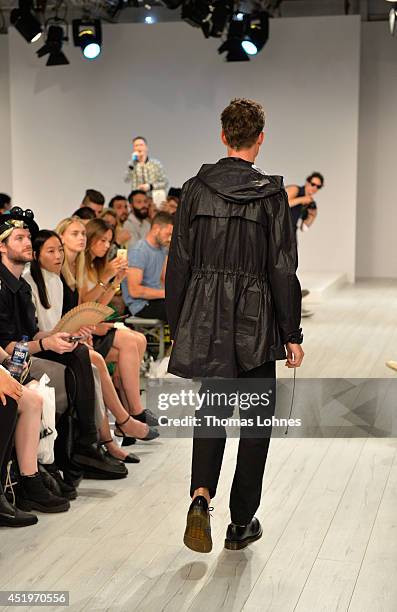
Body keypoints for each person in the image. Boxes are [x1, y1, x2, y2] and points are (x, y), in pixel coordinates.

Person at [165, 98, 304, 553]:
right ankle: (241, 521)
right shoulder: (272, 194)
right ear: (260, 139)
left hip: (206, 316)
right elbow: (283, 269)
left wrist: (178, 324)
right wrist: (291, 334)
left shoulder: (193, 189)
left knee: (213, 411)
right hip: (256, 317)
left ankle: (200, 497)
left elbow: (179, 264)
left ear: (222, 136)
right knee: (256, 424)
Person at [0, 208, 125, 481]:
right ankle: (70, 453)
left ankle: (81, 447)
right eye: (19, 238)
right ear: (2, 246)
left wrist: (52, 340)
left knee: (79, 354)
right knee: (73, 368)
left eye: (28, 238)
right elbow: (8, 347)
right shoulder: (13, 285)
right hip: (8, 361)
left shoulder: (21, 285)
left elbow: (29, 334)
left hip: (21, 354)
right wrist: (47, 342)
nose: (27, 243)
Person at [56, 217, 159, 436]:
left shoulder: (88, 265)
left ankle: (130, 411)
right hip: (75, 332)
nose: (104, 245)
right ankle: (133, 412)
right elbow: (84, 307)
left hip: (85, 329)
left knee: (137, 340)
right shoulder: (76, 267)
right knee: (131, 342)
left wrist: (114, 281)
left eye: (108, 242)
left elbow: (95, 307)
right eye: (101, 240)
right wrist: (107, 278)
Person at [286, 172, 324, 317]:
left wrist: (312, 216)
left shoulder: (308, 202)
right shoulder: (295, 190)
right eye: (313, 184)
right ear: (307, 182)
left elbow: (304, 228)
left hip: (290, 236)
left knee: (291, 270)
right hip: (276, 233)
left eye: (318, 187)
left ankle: (294, 308)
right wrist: (303, 199)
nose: (314, 188)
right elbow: (281, 203)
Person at [123, 212, 173, 322]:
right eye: (168, 234)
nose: (170, 239)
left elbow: (164, 279)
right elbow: (134, 291)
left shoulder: (162, 250)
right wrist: (167, 294)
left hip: (155, 300)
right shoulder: (139, 251)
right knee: (180, 309)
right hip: (141, 305)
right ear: (156, 229)